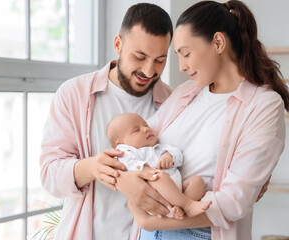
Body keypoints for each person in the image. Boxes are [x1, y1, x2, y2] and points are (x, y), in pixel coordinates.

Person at [116, 1, 289, 239]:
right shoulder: (185, 93)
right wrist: (127, 182)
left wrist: (150, 219)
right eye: (178, 56)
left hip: (200, 233)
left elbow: (234, 201)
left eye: (186, 54)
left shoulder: (263, 105)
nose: (182, 66)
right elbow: (133, 149)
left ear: (218, 42)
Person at [40, 3, 174, 239]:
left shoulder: (172, 103)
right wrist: (93, 167)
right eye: (139, 56)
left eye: (160, 60)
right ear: (118, 44)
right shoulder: (74, 94)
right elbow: (50, 174)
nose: (149, 70)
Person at [107, 113, 212, 220]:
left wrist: (169, 156)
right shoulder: (127, 152)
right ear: (121, 144)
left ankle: (180, 209)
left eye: (146, 125)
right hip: (156, 197)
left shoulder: (160, 148)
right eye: (136, 130)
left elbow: (178, 155)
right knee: (158, 177)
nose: (145, 129)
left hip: (178, 190)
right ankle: (188, 205)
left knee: (197, 181)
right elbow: (127, 164)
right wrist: (147, 170)